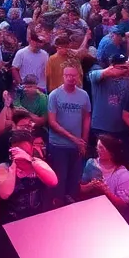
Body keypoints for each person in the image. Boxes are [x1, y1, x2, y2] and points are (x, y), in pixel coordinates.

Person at [45, 65, 90, 205]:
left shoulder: (83, 95)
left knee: (74, 178)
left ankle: (72, 205)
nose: (71, 78)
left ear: (78, 76)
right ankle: (57, 204)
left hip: (77, 146)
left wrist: (83, 141)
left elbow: (87, 117)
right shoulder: (54, 95)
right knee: (60, 178)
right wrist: (74, 139)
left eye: (74, 75)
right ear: (63, 76)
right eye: (68, 75)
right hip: (58, 145)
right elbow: (52, 122)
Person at [0, 130, 56, 224]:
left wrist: (29, 159)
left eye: (25, 151)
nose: (22, 154)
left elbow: (53, 181)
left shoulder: (38, 163)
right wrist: (14, 165)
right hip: (12, 222)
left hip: (38, 220)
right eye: (19, 151)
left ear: (32, 149)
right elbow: (4, 194)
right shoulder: (4, 167)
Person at [79, 134, 129, 211]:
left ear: (111, 152)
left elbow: (123, 204)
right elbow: (81, 190)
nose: (98, 150)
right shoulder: (91, 164)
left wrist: (105, 191)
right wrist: (91, 186)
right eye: (97, 147)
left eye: (101, 148)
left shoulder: (123, 174)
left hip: (111, 212)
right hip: (90, 208)